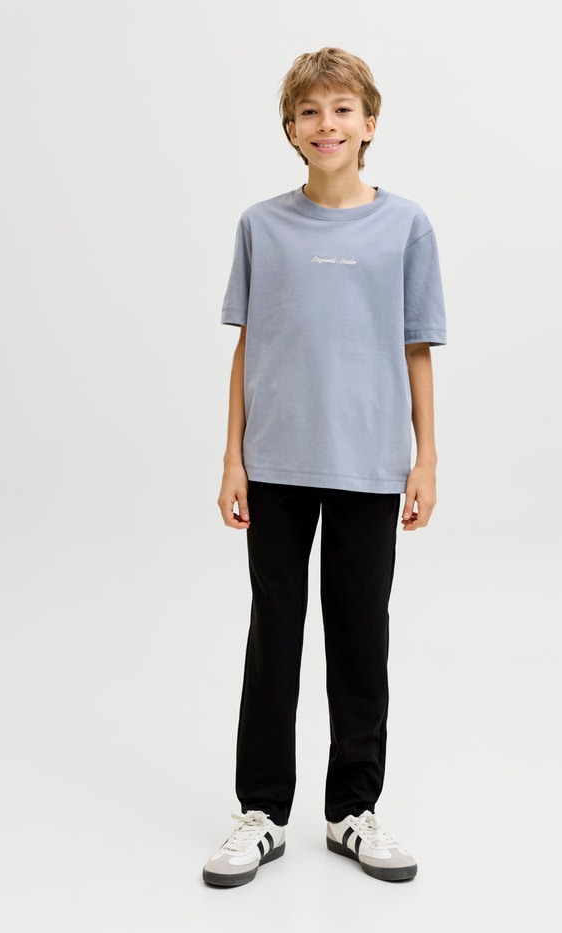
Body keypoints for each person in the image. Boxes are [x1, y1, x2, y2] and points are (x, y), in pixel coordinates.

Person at [203, 47, 446, 887]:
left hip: (370, 464)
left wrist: (426, 458)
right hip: (275, 462)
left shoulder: (406, 225)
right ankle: (263, 813)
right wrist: (232, 457)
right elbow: (248, 345)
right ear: (290, 129)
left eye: (342, 109)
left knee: (360, 636)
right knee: (273, 635)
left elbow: (416, 346)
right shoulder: (260, 225)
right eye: (309, 111)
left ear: (369, 123)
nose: (326, 124)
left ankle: (352, 811)